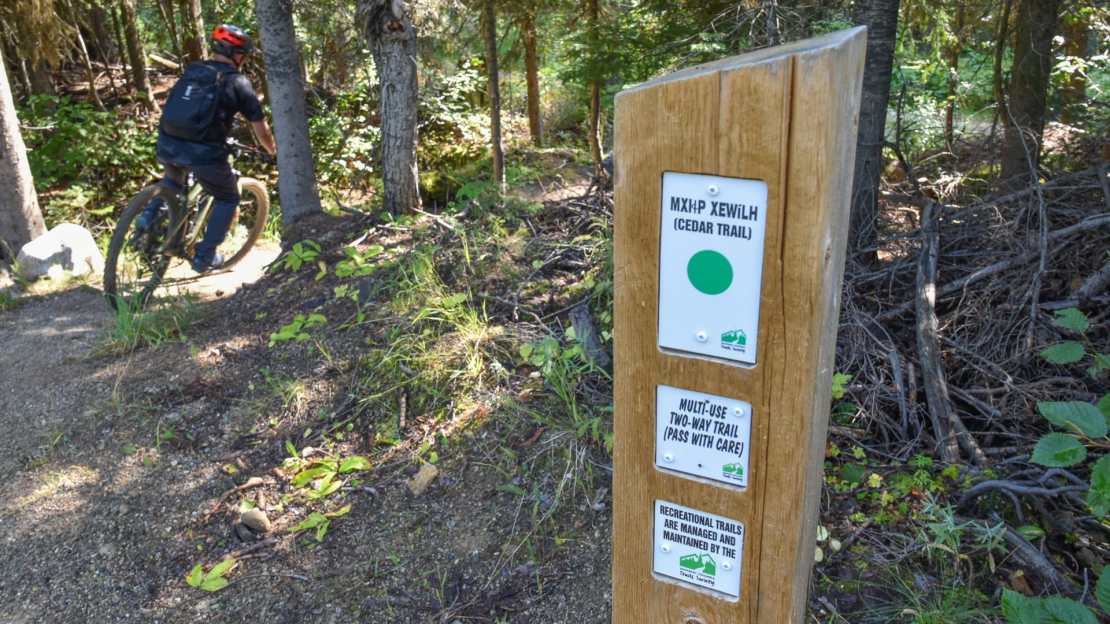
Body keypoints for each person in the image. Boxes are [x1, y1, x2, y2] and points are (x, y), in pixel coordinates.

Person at [136, 24, 277, 272]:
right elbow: (260, 128)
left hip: (168, 142)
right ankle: (204, 256)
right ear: (237, 54)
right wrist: (272, 150)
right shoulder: (238, 82)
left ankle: (147, 217)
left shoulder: (195, 69)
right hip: (203, 152)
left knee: (172, 182)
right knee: (228, 196)